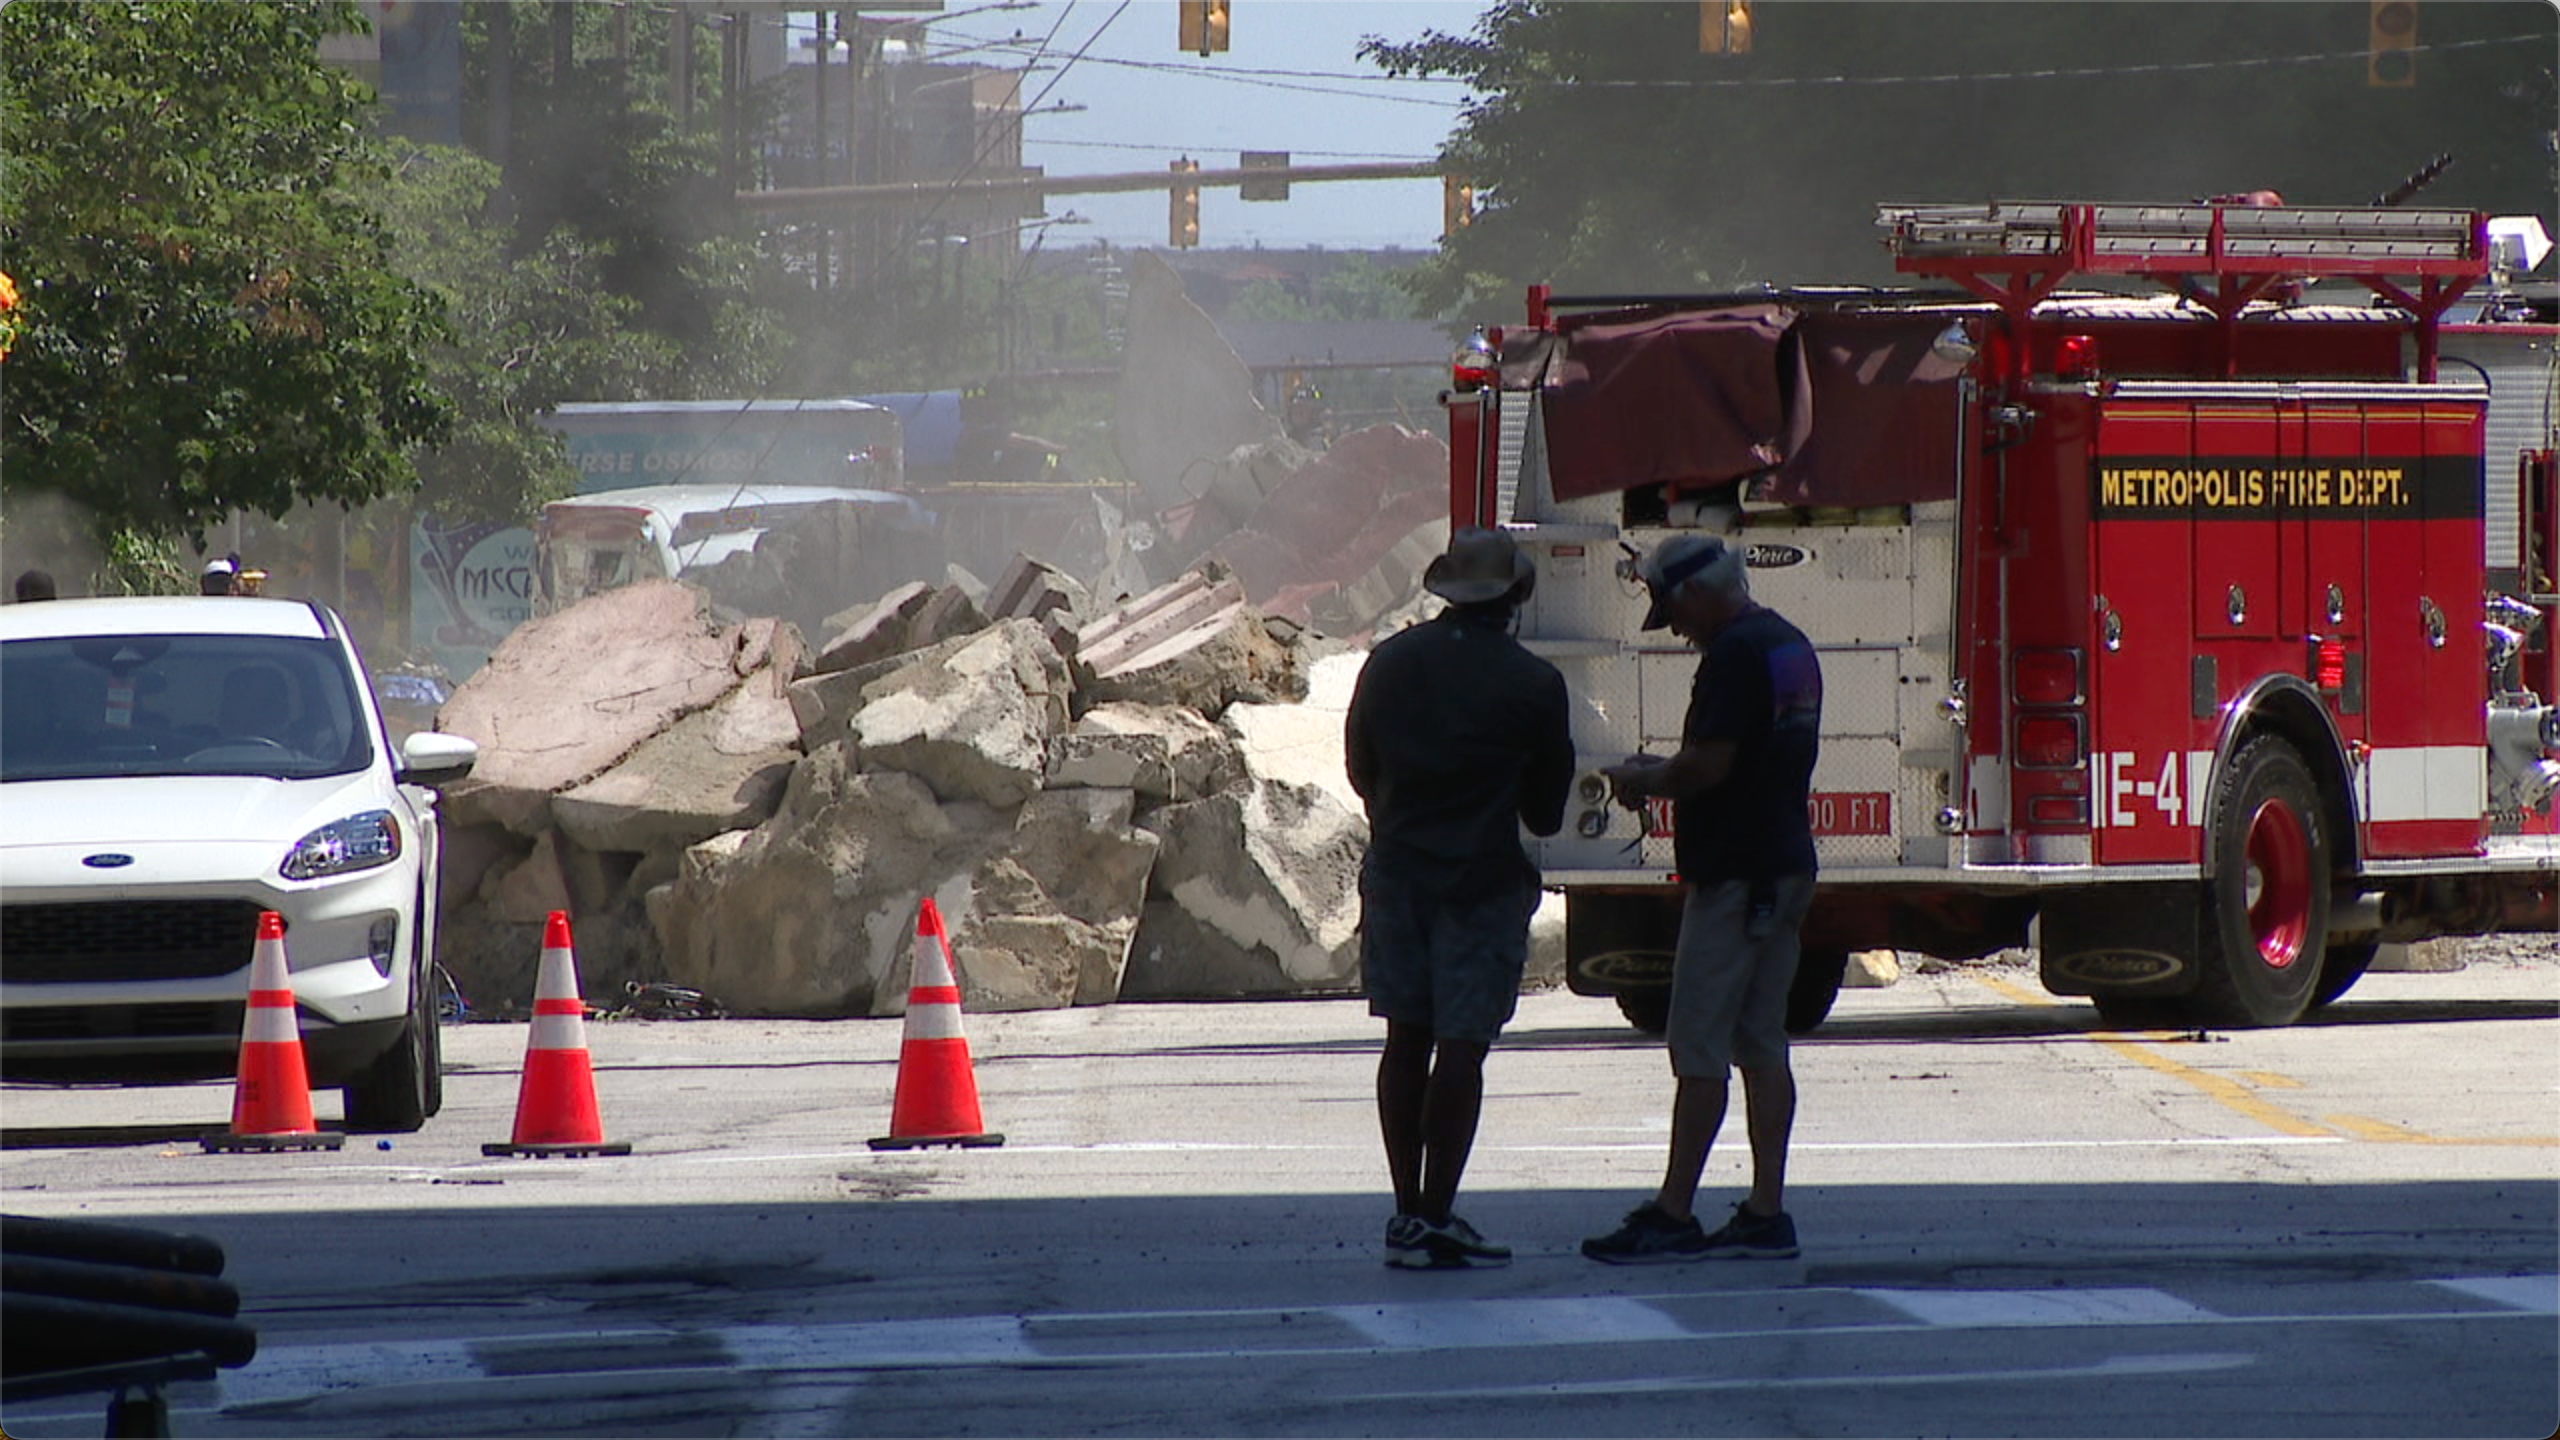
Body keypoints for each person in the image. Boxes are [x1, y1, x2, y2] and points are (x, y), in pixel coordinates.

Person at [1582, 532, 1823, 1265]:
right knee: (1761, 1042)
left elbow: (1711, 765)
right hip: (1781, 864)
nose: (1678, 630)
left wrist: (1642, 778)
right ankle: (1765, 1210)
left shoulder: (1735, 656)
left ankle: (1675, 1210)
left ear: (1693, 592)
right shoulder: (1788, 644)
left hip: (1736, 876)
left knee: (1698, 1045)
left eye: (1673, 613)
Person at [1344, 526, 1574, 1270]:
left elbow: (1360, 768)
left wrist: (1402, 817)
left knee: (1404, 1038)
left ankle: (1406, 1211)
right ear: (1517, 594)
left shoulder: (1388, 663)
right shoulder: (1533, 685)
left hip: (1400, 871)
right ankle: (1440, 1211)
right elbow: (1544, 812)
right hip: (1480, 884)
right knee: (1463, 1051)